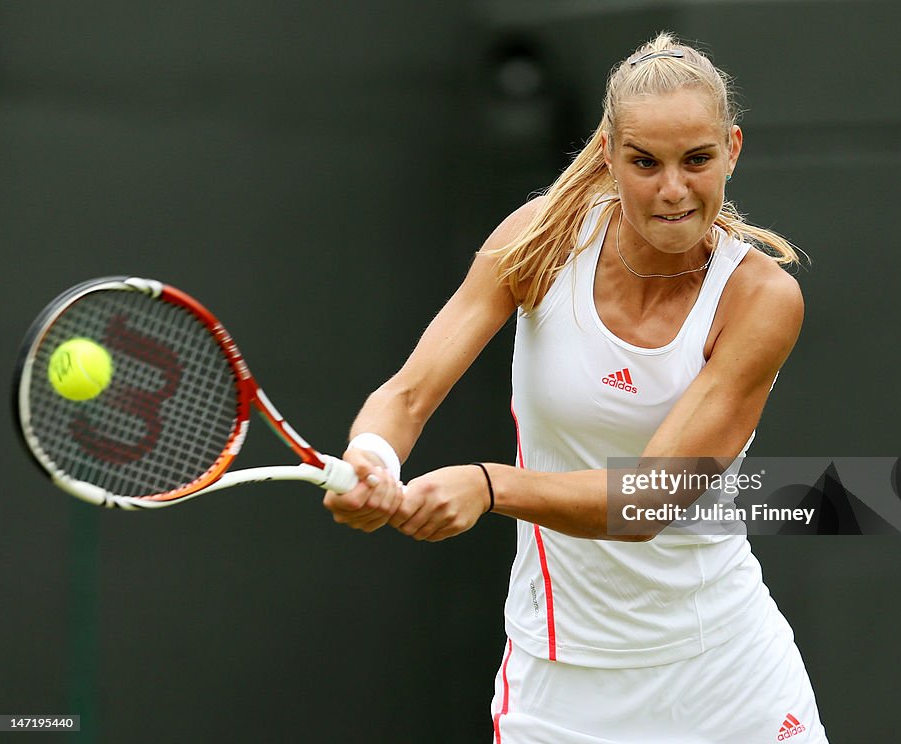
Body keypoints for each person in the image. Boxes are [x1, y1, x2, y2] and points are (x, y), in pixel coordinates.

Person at [323, 31, 828, 744]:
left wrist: (489, 485)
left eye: (698, 160)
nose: (674, 189)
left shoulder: (762, 300)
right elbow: (406, 395)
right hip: (557, 691)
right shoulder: (539, 241)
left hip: (727, 680)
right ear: (608, 155)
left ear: (733, 150)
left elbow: (651, 498)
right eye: (646, 163)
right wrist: (373, 455)